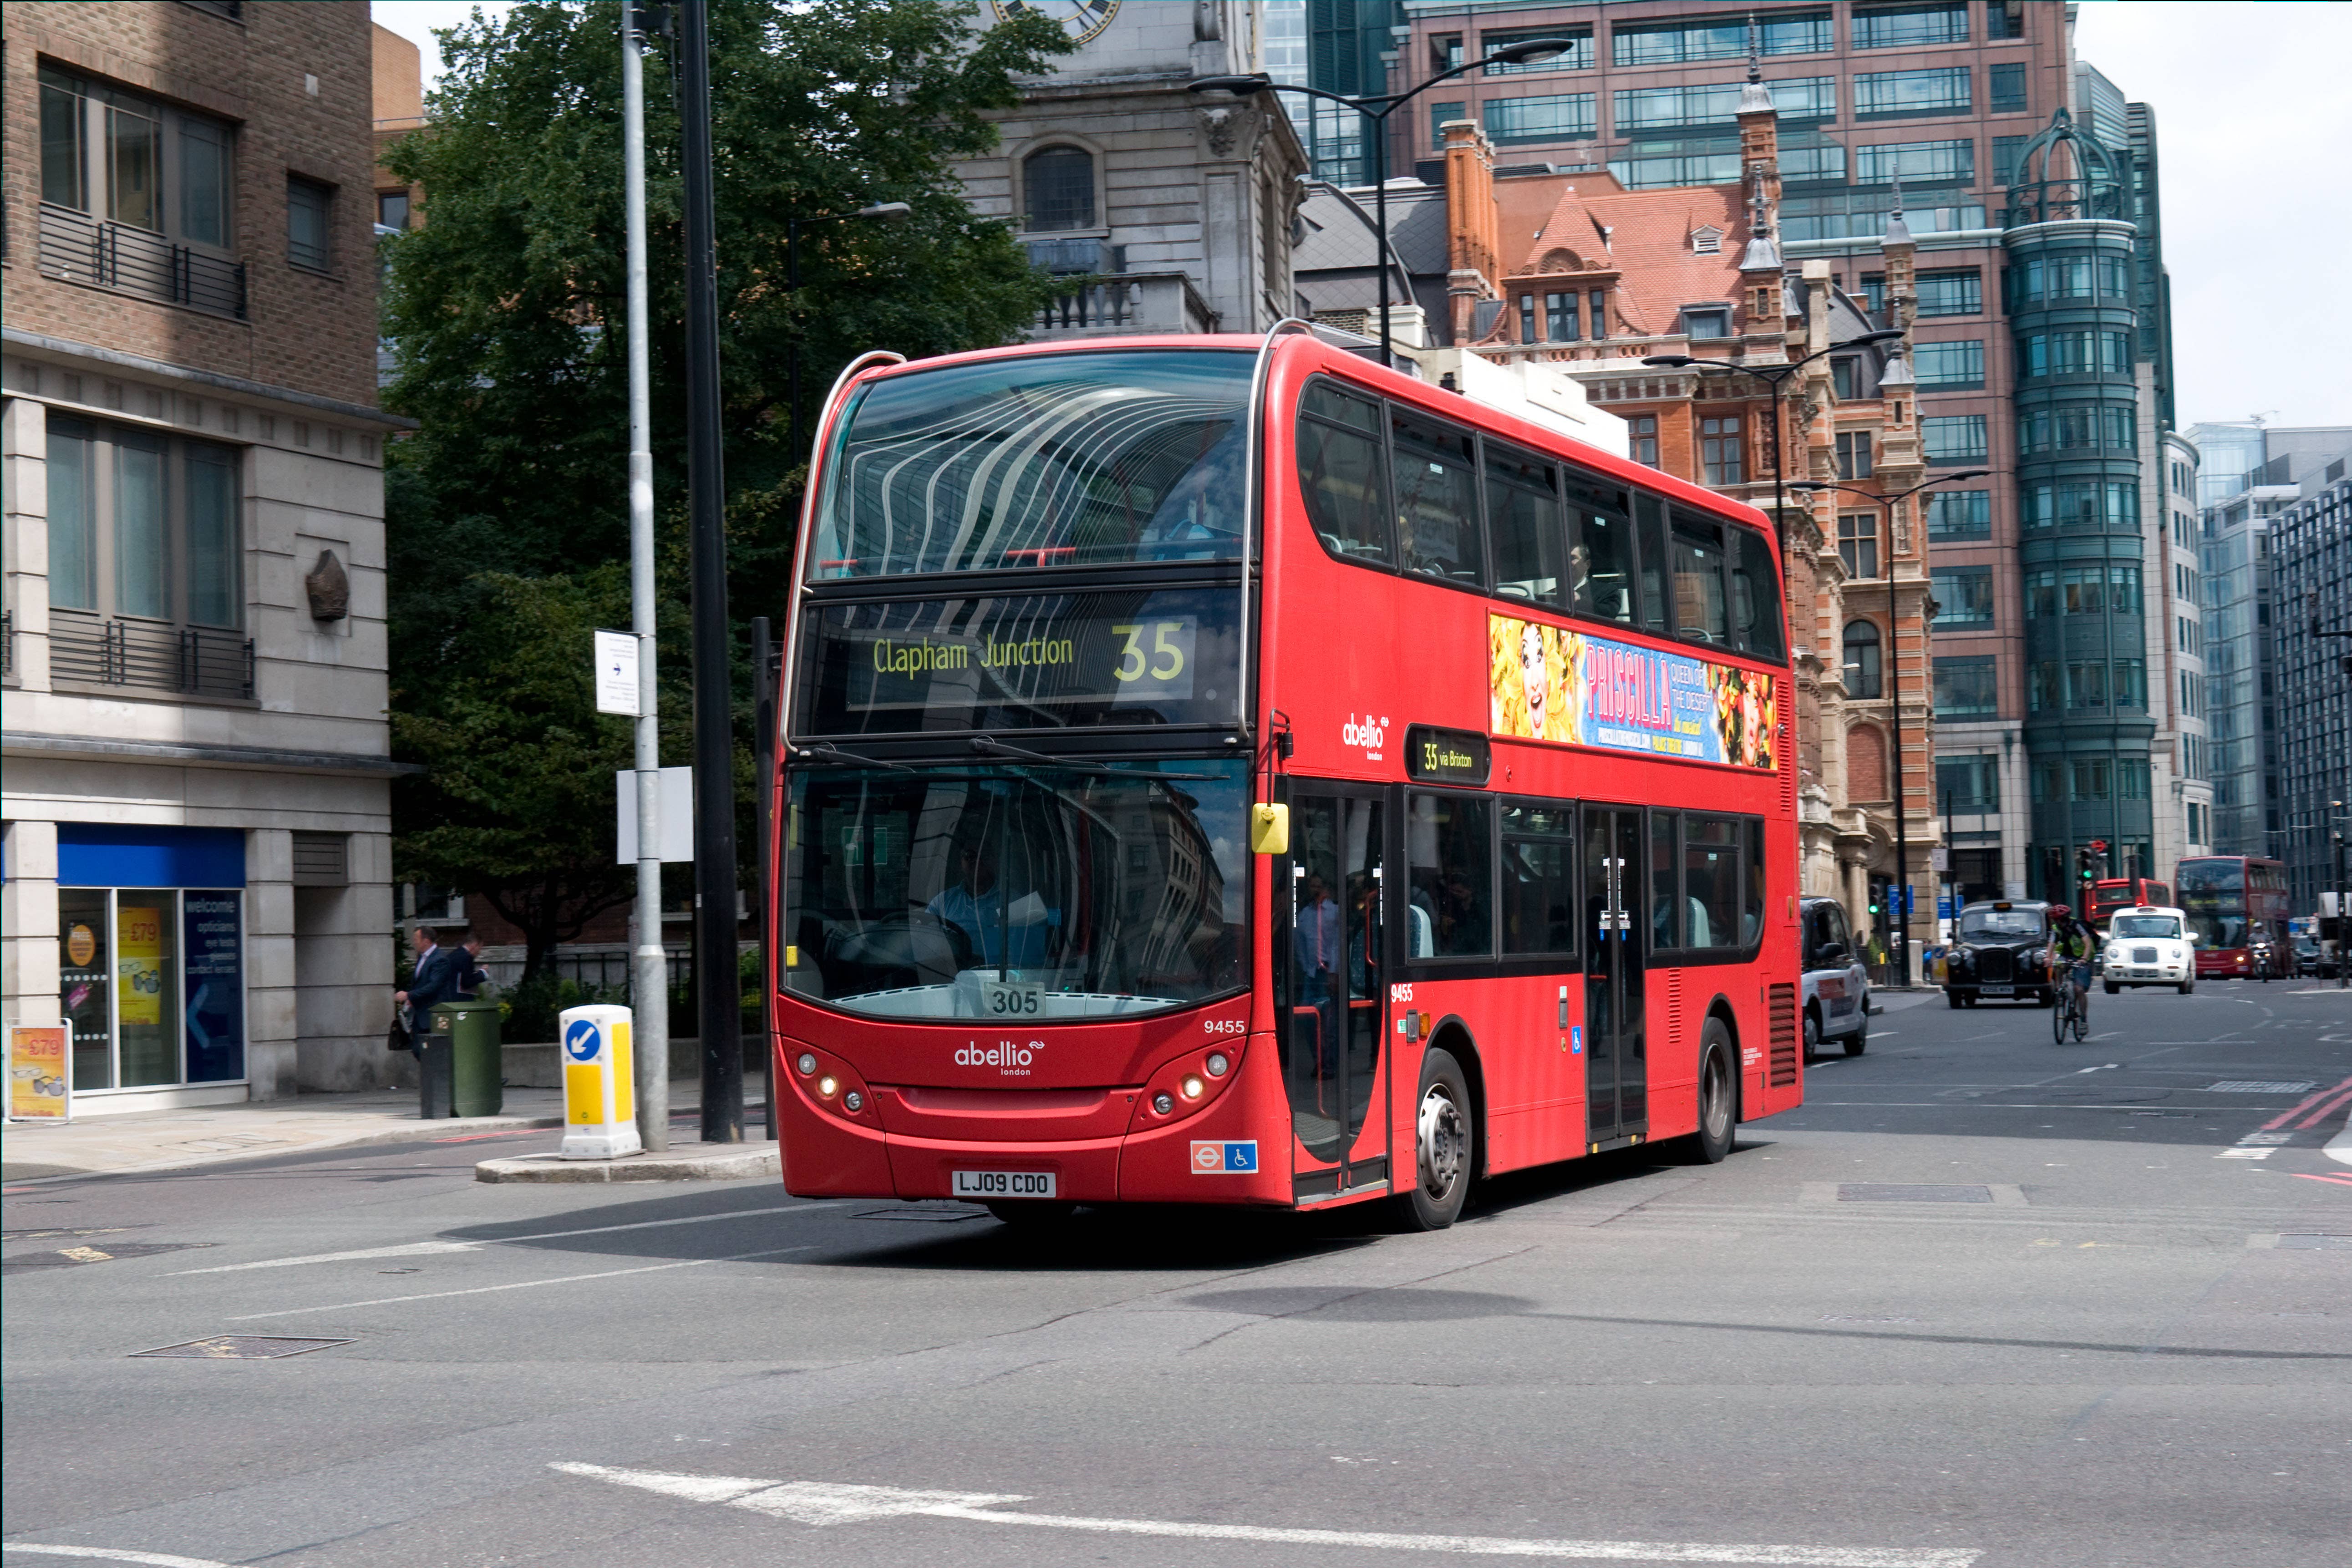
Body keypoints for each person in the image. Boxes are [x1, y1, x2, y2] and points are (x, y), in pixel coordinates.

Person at [394, 926, 464, 1059]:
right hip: (420, 1014)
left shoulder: (440, 960)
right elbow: (420, 983)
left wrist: (409, 995)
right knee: (418, 1050)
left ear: (426, 941)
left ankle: (441, 1078)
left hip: (433, 1014)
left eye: (416, 939)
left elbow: (433, 986)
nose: (414, 942)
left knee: (430, 1052)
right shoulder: (423, 958)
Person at [2048, 904, 2094, 1025]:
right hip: (2067, 955)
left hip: (2082, 957)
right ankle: (2060, 990)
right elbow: (2052, 943)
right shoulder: (2056, 928)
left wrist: (2084, 958)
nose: (2056, 922)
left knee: (2079, 989)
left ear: (2064, 919)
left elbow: (2088, 943)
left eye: (2057, 920)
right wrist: (2048, 958)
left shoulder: (2077, 926)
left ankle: (2083, 1020)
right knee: (2058, 965)